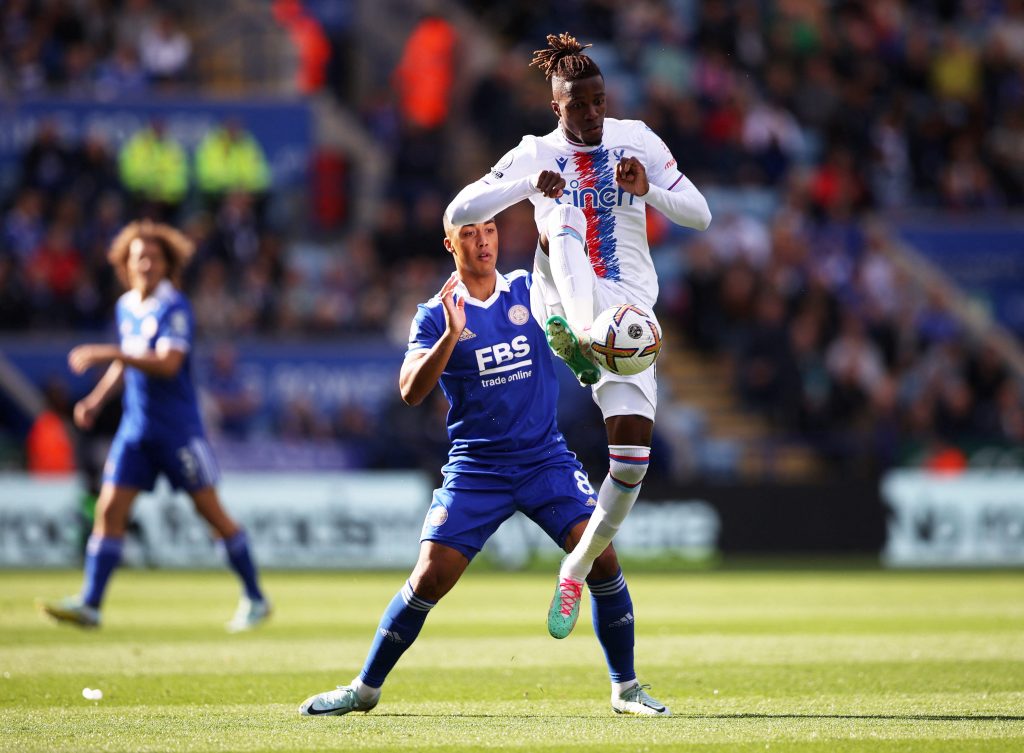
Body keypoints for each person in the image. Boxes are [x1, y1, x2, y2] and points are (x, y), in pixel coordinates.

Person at [298, 214, 669, 718]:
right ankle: (364, 691)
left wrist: (553, 205)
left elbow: (556, 251)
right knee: (430, 576)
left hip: (545, 460)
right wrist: (450, 336)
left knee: (602, 559)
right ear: (450, 244)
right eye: (469, 234)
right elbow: (410, 391)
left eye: (489, 230)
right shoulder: (433, 314)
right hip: (478, 469)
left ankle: (625, 690)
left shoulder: (526, 291)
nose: (482, 241)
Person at [445, 33, 712, 639]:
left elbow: (702, 214)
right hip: (560, 294)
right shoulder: (536, 150)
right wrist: (526, 184)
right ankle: (581, 337)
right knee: (561, 212)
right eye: (578, 105)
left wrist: (650, 190)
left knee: (630, 467)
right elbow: (461, 212)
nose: (592, 115)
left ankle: (575, 566)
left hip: (629, 317)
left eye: (598, 102)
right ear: (555, 107)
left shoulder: (636, 137)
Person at [39, 220, 270, 632]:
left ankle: (255, 598)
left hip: (178, 431)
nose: (145, 264)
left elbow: (167, 363)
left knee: (213, 516)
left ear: (168, 264)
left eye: (153, 257)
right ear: (125, 265)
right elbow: (126, 362)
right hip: (136, 430)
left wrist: (109, 352)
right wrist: (94, 400)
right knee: (109, 510)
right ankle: (91, 604)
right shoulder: (127, 306)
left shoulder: (174, 307)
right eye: (137, 257)